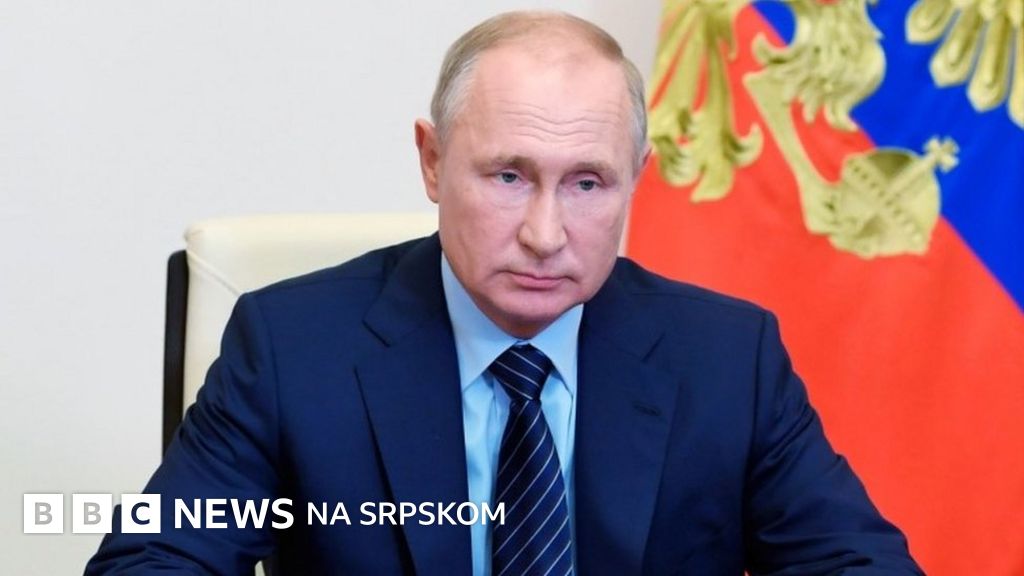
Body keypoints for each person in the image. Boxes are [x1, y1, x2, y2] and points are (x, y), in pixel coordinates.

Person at [86, 10, 923, 575]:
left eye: (588, 183)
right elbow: (155, 560)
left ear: (636, 177)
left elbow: (857, 563)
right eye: (509, 176)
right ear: (432, 161)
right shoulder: (291, 348)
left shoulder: (729, 360)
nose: (546, 234)